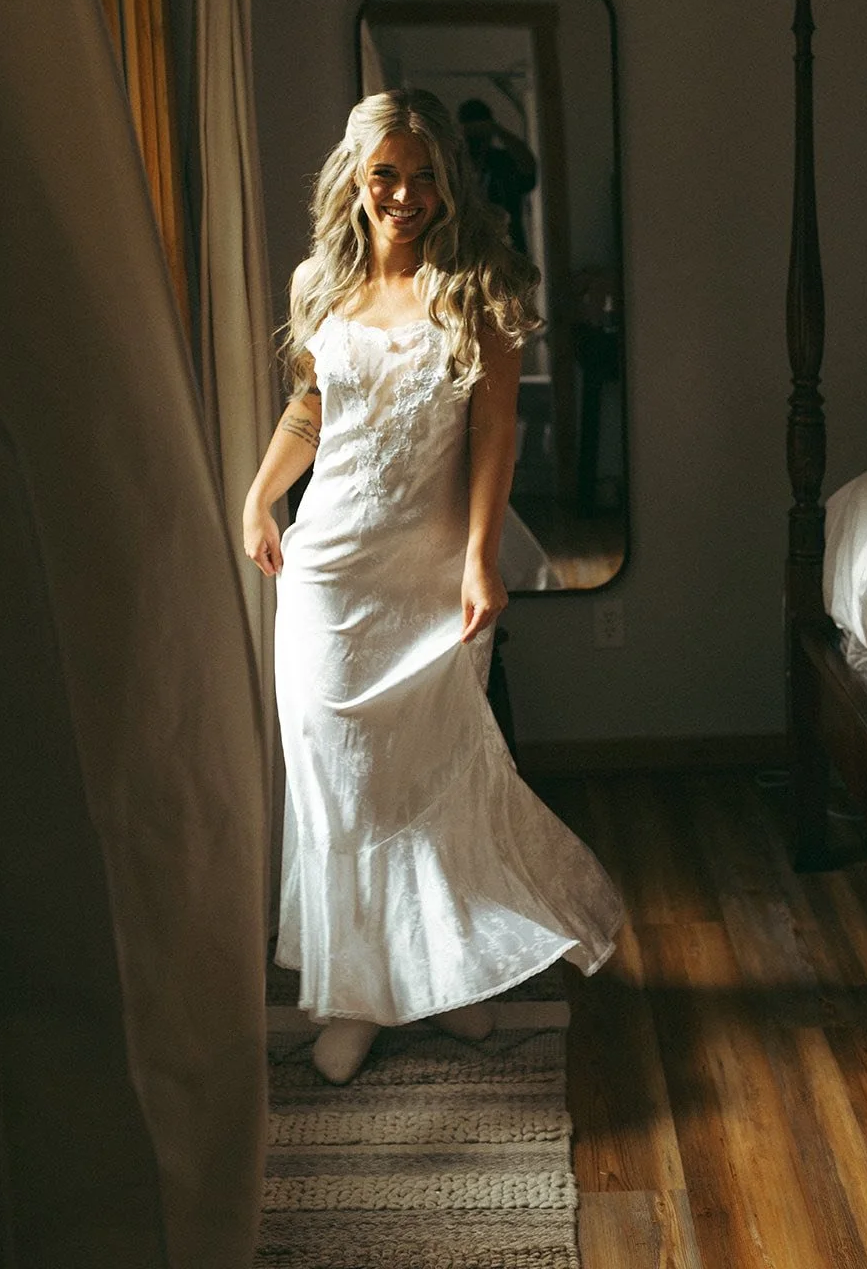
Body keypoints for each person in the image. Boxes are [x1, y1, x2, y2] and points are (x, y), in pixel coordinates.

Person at [243, 89, 622, 1084]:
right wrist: (258, 496)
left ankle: (443, 979)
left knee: (428, 774)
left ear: (447, 181)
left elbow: (495, 434)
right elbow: (310, 407)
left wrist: (482, 555)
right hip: (328, 576)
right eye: (385, 176)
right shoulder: (320, 284)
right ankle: (358, 996)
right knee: (341, 784)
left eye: (422, 177)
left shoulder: (479, 288)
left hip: (429, 574)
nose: (405, 196)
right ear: (355, 180)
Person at [458, 97, 537, 258]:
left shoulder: (502, 162)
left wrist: (497, 130)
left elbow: (528, 168)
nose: (477, 141)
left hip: (508, 249)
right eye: (472, 135)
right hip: (466, 251)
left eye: (481, 134)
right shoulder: (455, 165)